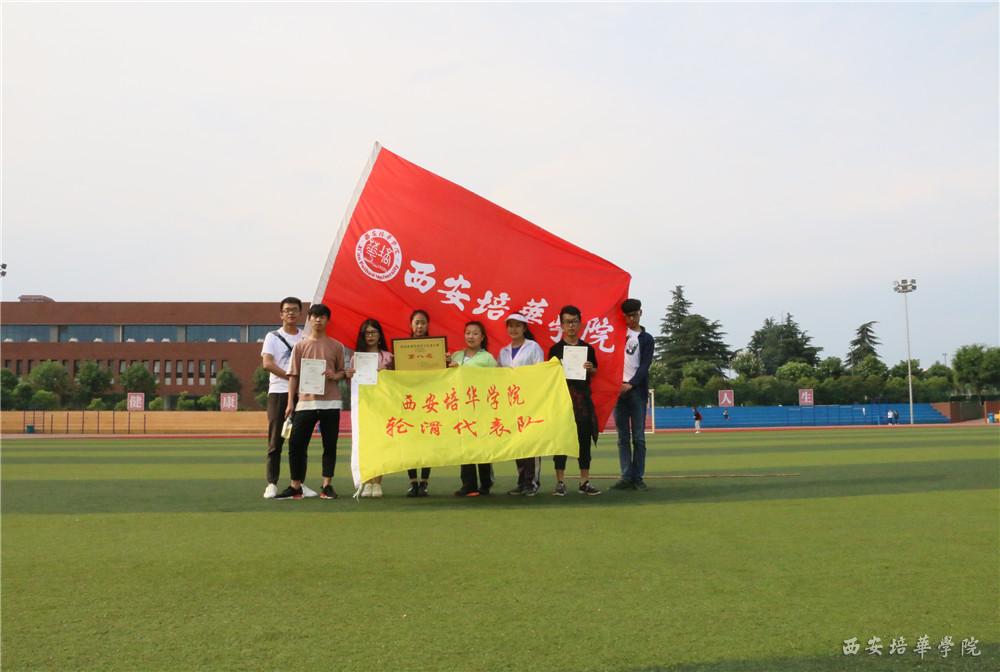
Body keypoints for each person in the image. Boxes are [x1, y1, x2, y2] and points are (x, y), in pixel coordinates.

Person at [275, 304, 347, 500]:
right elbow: (293, 376)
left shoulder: (337, 346)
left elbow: (342, 372)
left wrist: (335, 375)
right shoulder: (300, 346)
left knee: (329, 445)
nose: (318, 319)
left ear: (327, 320)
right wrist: (290, 402)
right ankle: (295, 485)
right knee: (296, 444)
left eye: (322, 316)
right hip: (305, 403)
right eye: (314, 316)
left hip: (330, 403)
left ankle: (327, 485)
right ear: (309, 319)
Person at [260, 297, 317, 499]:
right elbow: (267, 363)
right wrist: (292, 377)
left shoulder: (306, 337)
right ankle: (272, 483)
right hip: (279, 392)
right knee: (276, 441)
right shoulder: (272, 337)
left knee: (300, 442)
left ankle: (298, 483)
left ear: (301, 314)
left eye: (294, 310)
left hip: (303, 394)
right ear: (281, 314)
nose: (291, 313)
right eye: (287, 310)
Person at [548, 305, 601, 496]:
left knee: (584, 440)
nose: (571, 325)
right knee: (560, 441)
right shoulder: (555, 349)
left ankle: (584, 481)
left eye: (574, 321)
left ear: (580, 324)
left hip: (582, 401)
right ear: (561, 325)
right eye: (567, 322)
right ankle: (560, 482)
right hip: (562, 401)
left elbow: (595, 370)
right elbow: (549, 376)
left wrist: (590, 368)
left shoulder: (588, 348)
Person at [498, 314, 546, 496]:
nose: (514, 329)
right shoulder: (503, 352)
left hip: (530, 401)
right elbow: (498, 376)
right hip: (511, 403)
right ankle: (521, 480)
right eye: (510, 326)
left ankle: (532, 482)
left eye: (518, 325)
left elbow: (540, 373)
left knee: (531, 442)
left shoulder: (533, 347)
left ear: (524, 328)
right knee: (517, 443)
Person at [346, 318, 394, 498]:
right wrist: (349, 374)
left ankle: (377, 483)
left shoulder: (388, 357)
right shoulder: (356, 358)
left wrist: (386, 374)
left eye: (374, 332)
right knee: (364, 444)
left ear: (380, 335)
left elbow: (397, 381)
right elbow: (352, 383)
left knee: (380, 444)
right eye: (367, 333)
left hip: (382, 405)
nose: (370, 336)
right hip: (363, 406)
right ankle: (366, 481)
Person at [611, 298, 655, 491]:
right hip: (617, 390)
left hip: (636, 390)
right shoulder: (617, 335)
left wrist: (631, 384)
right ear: (624, 317)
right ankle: (626, 476)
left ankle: (638, 477)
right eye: (628, 316)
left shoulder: (646, 339)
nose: (632, 319)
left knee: (638, 437)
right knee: (622, 437)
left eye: (635, 315)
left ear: (640, 313)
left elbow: (645, 365)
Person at [451, 320, 498, 497]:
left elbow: (494, 380)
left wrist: (462, 370)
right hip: (460, 406)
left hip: (480, 407)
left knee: (482, 445)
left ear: (482, 337)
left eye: (475, 333)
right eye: (468, 333)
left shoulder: (488, 358)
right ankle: (468, 484)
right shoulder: (456, 356)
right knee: (464, 446)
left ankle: (485, 483)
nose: (471, 336)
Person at [404, 309, 435, 497]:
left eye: (423, 322)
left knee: (427, 444)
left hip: (429, 402)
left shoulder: (435, 347)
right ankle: (413, 482)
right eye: (417, 322)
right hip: (410, 401)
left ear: (427, 325)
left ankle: (424, 482)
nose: (420, 326)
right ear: (411, 325)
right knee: (410, 443)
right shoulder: (403, 348)